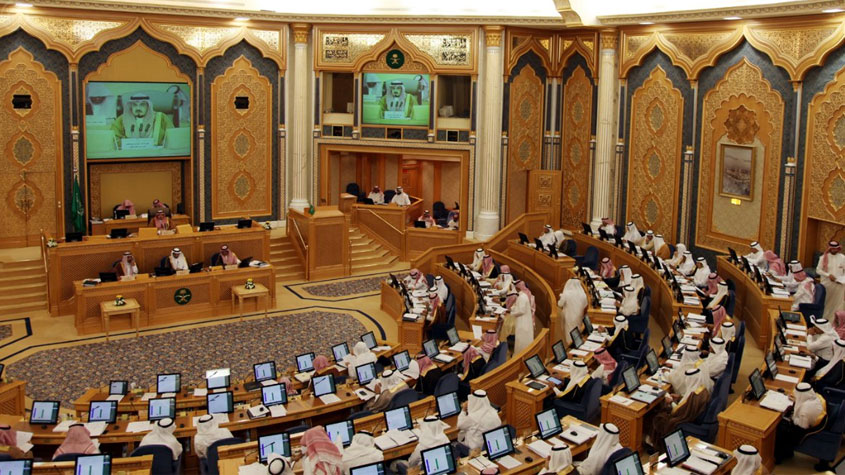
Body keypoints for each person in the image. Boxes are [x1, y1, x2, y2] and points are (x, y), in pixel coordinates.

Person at [648, 368, 712, 452]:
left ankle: (657, 445)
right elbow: (685, 405)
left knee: (659, 417)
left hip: (682, 420)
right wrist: (679, 398)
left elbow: (679, 412)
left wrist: (671, 402)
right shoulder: (701, 389)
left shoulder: (694, 396)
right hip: (691, 418)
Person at [775, 382, 826, 464]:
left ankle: (779, 457)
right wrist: (797, 401)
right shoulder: (815, 397)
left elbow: (802, 426)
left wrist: (790, 417)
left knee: (779, 427)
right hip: (812, 422)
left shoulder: (805, 410)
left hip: (802, 431)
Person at [817, 241, 845, 320]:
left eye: (835, 248)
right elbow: (818, 270)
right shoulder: (823, 258)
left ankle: (837, 322)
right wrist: (828, 275)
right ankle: (825, 320)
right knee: (827, 304)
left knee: (839, 304)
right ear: (829, 248)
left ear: (838, 248)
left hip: (839, 285)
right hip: (827, 284)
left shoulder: (843, 257)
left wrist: (842, 279)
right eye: (832, 248)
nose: (834, 250)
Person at [558, 279, 587, 347]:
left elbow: (560, 304)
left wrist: (561, 297)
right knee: (577, 331)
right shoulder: (583, 294)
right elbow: (585, 305)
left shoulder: (566, 293)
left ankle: (570, 346)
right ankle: (577, 344)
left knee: (569, 332)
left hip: (569, 316)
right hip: (579, 316)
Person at [512, 287, 534, 354]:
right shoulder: (522, 296)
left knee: (521, 339)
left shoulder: (522, 297)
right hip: (523, 320)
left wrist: (512, 313)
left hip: (523, 322)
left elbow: (521, 311)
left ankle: (520, 354)